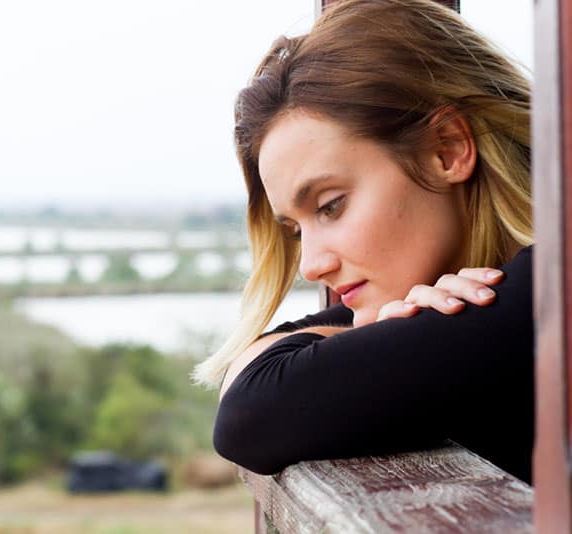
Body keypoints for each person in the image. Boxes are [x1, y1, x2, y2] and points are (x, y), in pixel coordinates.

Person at [192, 0, 533, 483]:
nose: (310, 265)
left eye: (330, 205)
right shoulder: (478, 302)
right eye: (295, 229)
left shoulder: (545, 293)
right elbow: (255, 370)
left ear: (448, 149)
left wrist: (391, 342)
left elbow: (251, 411)